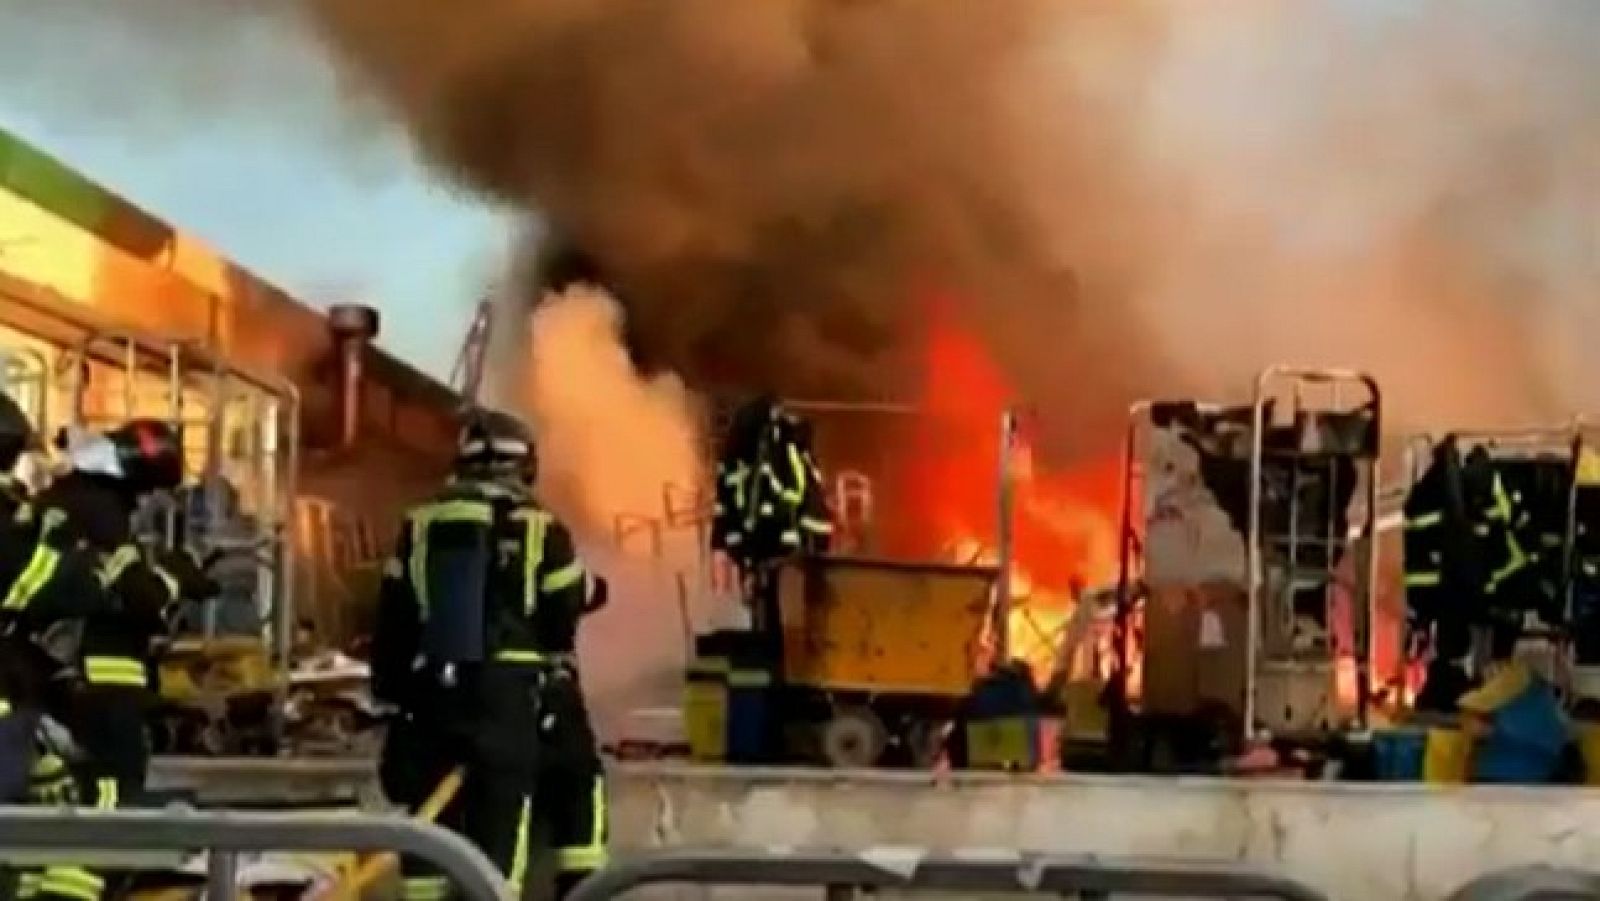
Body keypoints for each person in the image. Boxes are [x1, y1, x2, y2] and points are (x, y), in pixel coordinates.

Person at [373, 408, 594, 901]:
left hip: (430, 698)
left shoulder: (420, 525)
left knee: (428, 832)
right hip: (505, 699)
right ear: (522, 465)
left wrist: (390, 695)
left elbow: (394, 618)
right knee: (502, 825)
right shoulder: (540, 527)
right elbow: (562, 617)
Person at [31, 419, 185, 810]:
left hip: (61, 673)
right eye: (148, 488)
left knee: (75, 778)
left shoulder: (65, 500)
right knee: (113, 782)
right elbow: (139, 596)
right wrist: (178, 577)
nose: (146, 499)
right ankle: (111, 854)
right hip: (99, 680)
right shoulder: (101, 512)